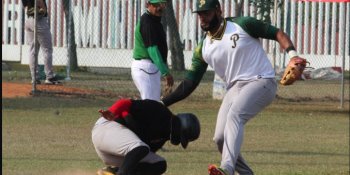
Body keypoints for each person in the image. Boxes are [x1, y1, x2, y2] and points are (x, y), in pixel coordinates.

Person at [162, 0, 306, 174]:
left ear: (218, 11)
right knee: (220, 138)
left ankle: (227, 169)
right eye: (200, 14)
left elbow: (277, 33)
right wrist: (163, 103)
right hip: (235, 88)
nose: (202, 18)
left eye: (206, 13)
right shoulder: (204, 48)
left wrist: (293, 55)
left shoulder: (241, 24)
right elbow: (190, 83)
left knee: (235, 115)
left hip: (261, 81)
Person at [92, 98, 200, 175]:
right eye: (181, 136)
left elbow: (138, 159)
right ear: (179, 126)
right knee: (141, 148)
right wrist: (112, 111)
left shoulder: (162, 138)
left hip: (115, 153)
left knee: (159, 164)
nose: (177, 141)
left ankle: (112, 172)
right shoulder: (159, 111)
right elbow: (125, 103)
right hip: (107, 127)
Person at [132, 0, 173, 101]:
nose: (159, 7)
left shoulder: (154, 20)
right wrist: (165, 73)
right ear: (148, 4)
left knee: (153, 104)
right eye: (156, 5)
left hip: (150, 68)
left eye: (162, 4)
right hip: (146, 67)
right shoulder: (148, 22)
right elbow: (152, 50)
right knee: (151, 105)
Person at [21, 0, 61, 85]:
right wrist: (43, 10)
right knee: (47, 49)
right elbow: (41, 7)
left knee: (33, 50)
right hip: (39, 21)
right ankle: (49, 77)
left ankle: (34, 77)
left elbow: (26, 7)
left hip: (28, 20)